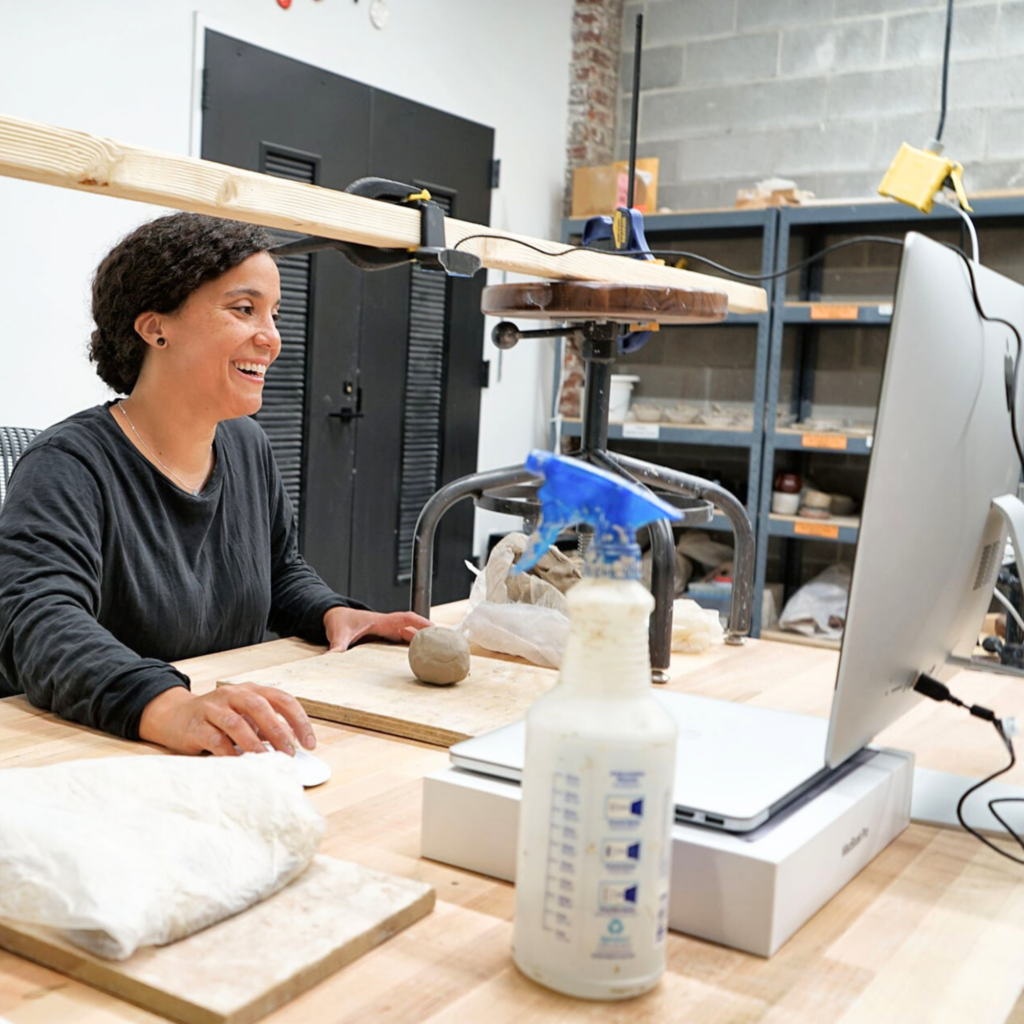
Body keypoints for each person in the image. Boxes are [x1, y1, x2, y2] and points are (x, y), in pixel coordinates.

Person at [0, 212, 431, 757]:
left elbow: (280, 571)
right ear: (155, 327)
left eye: (275, 314)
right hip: (85, 749)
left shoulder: (247, 446)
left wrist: (331, 612)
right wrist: (169, 707)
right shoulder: (66, 464)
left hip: (214, 750)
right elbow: (40, 623)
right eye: (244, 309)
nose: (271, 338)